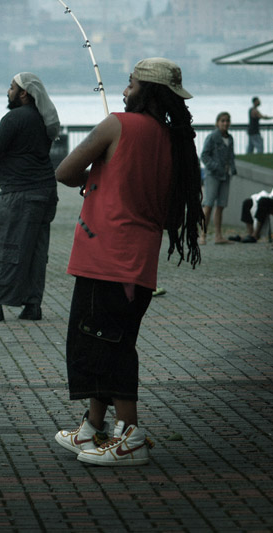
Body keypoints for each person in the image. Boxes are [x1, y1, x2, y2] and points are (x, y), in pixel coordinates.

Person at [53, 57, 203, 466]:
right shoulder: (175, 140)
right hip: (139, 263)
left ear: (146, 91)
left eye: (131, 83)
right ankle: (92, 429)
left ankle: (131, 436)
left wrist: (94, 182)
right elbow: (171, 211)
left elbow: (65, 171)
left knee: (106, 349)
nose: (123, 90)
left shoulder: (116, 124)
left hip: (106, 257)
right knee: (109, 341)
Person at [0, 72, 60, 322]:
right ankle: (32, 305)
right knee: (35, 251)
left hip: (20, 194)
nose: (8, 92)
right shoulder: (39, 118)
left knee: (4, 246)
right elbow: (7, 143)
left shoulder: (14, 116)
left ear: (24, 93)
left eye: (11, 87)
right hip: (46, 192)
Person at [199, 112, 237, 245]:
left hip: (226, 176)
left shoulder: (230, 138)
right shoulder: (212, 137)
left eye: (227, 121)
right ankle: (202, 235)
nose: (225, 123)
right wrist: (215, 167)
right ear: (217, 123)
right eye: (222, 121)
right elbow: (204, 156)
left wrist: (233, 169)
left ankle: (218, 236)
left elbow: (231, 156)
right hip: (213, 176)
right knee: (208, 204)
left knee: (221, 205)